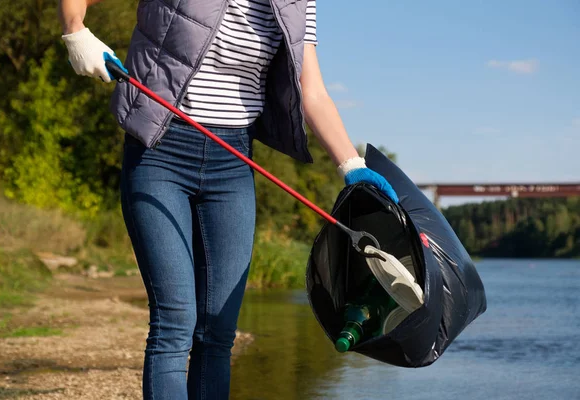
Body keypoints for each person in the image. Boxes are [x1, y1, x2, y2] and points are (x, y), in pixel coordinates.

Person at [58, 0, 399, 399]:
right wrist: (75, 31)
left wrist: (351, 164)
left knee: (218, 331)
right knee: (175, 321)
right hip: (158, 150)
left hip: (231, 163)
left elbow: (313, 91)